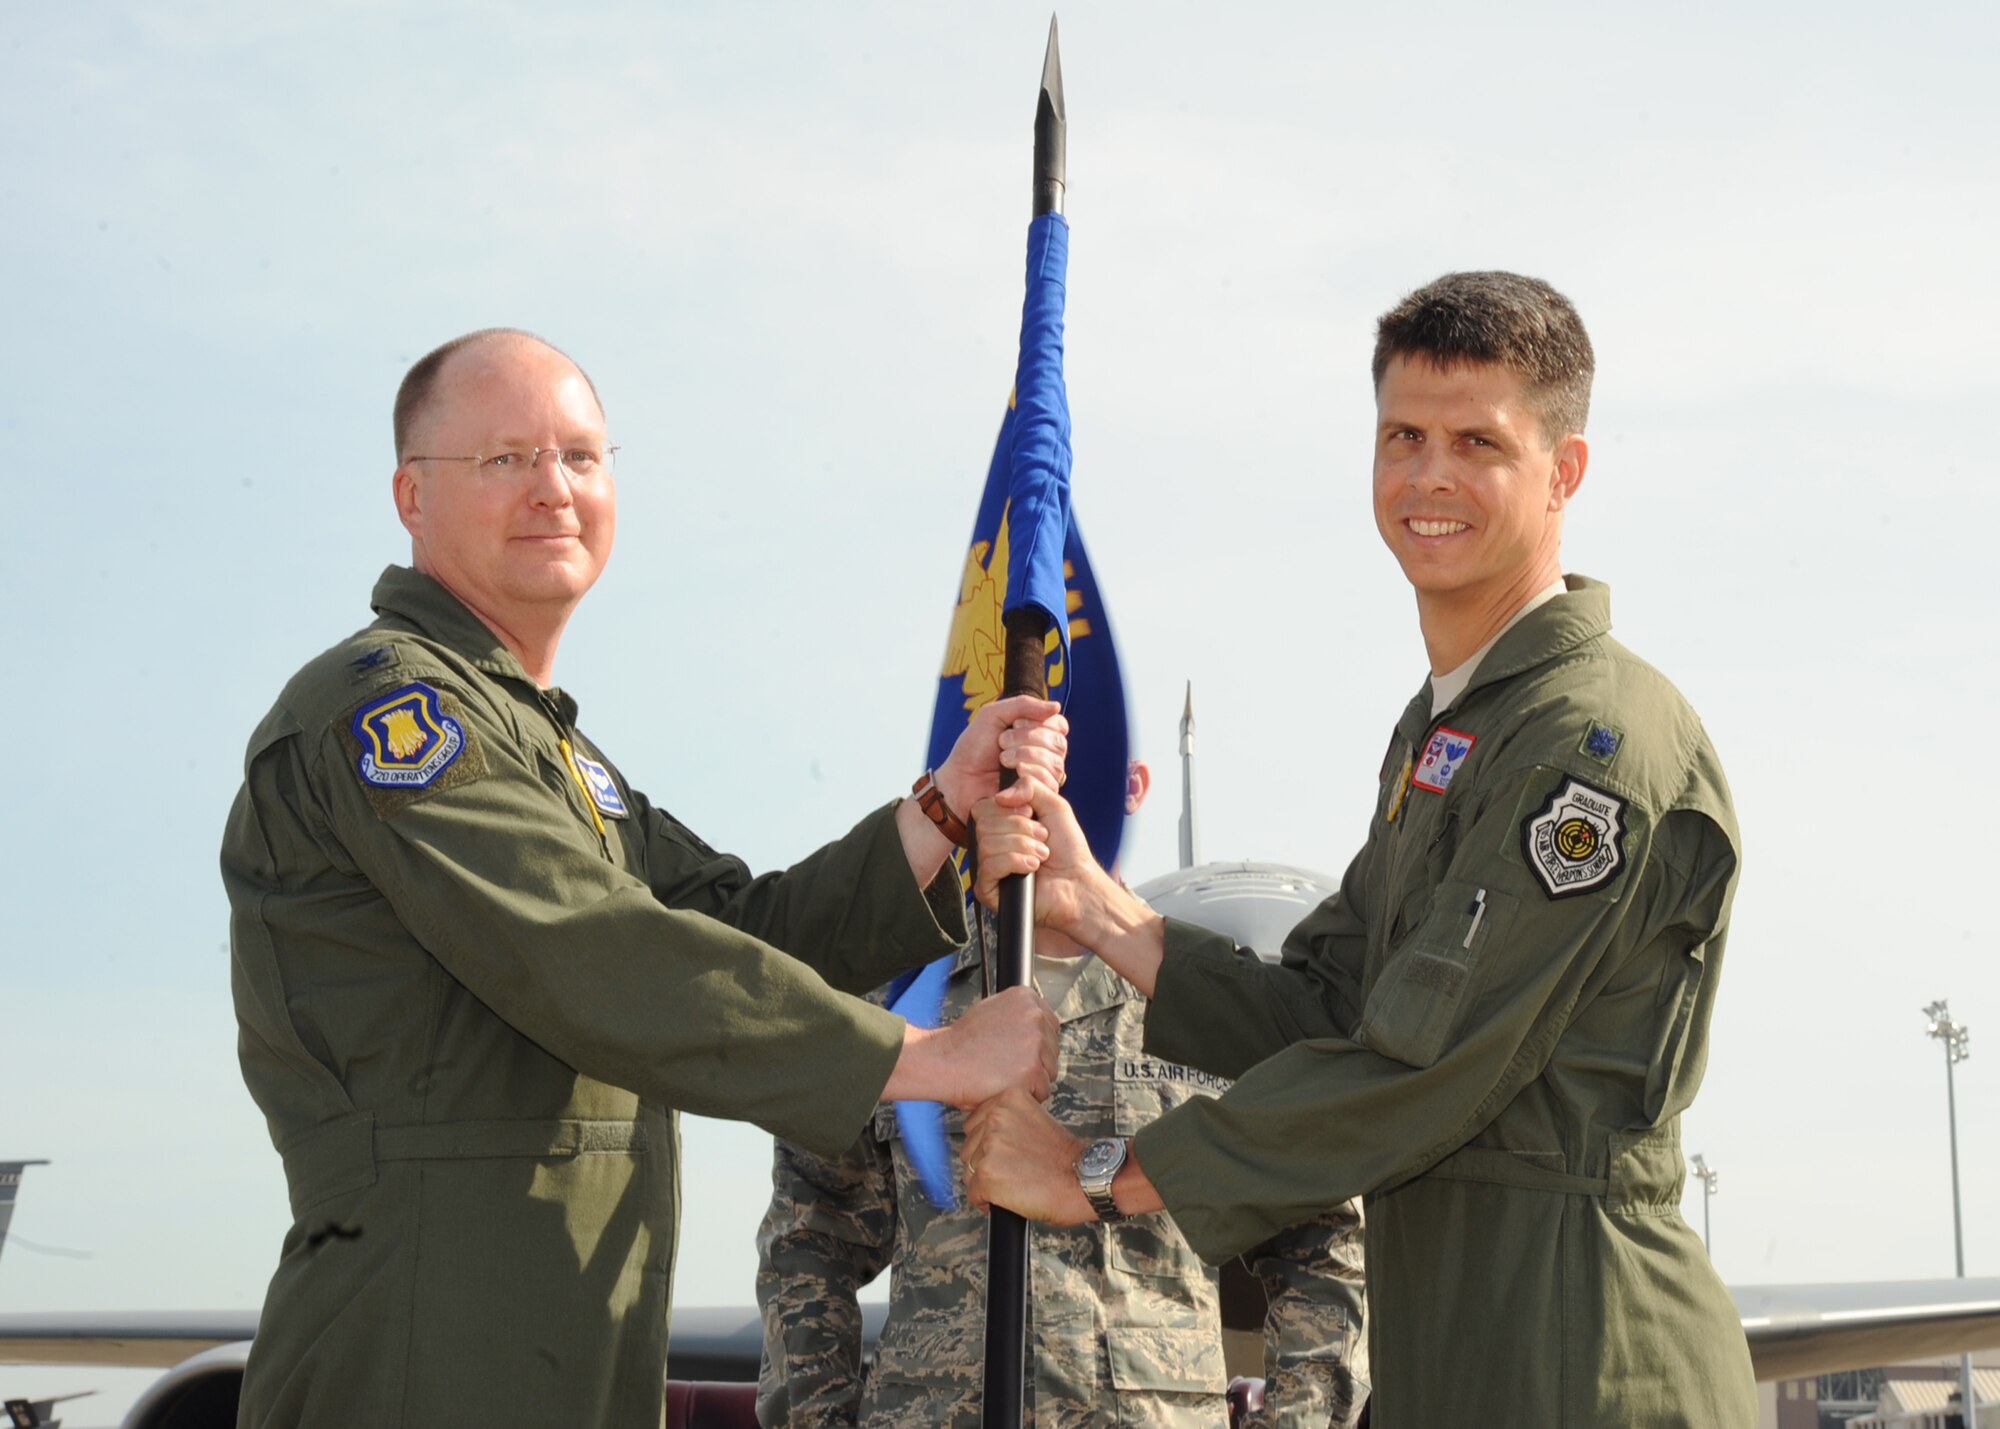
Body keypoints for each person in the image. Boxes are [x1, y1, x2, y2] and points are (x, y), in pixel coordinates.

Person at [220, 328, 1071, 1429]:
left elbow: (735, 924)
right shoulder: (386, 710)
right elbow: (593, 952)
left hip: (565, 1341)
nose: (552, 489)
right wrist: (927, 1058)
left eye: (580, 455)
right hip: (422, 1344)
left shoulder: (554, 755)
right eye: (503, 459)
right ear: (409, 496)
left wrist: (941, 809)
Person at [963, 273, 1758, 1427]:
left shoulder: (1590, 745)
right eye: (1402, 436)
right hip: (1452, 1354)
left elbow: (1415, 1069)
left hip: (1584, 1358)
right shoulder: (1452, 731)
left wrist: (1097, 1177)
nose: (1428, 476)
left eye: (1475, 441)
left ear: (1562, 472)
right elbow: (1334, 1007)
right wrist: (1100, 910)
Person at [755, 763, 1368, 1429]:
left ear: (1131, 785)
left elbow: (1323, 1233)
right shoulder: (893, 1003)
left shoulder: (1213, 1004)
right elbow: (809, 1236)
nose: (1035, 789)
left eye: (1068, 761)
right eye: (1010, 763)